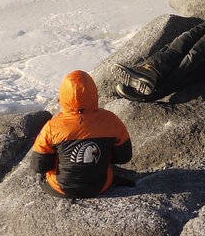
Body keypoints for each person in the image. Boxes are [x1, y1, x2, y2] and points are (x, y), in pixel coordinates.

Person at [29, 69, 132, 198]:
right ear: (94, 93)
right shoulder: (111, 120)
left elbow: (39, 166)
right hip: (101, 186)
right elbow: (124, 157)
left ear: (63, 96)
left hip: (60, 188)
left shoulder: (52, 126)